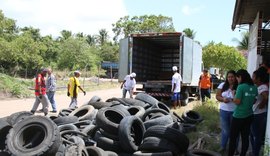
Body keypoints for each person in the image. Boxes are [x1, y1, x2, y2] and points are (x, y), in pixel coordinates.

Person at [228, 69, 258, 156]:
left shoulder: (241, 87)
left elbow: (237, 102)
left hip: (238, 116)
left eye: (237, 78)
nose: (237, 80)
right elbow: (254, 101)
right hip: (249, 115)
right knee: (245, 138)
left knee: (233, 138)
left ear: (240, 77)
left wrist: (233, 95)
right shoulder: (254, 87)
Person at [215, 70, 238, 153]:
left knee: (234, 131)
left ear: (235, 77)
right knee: (225, 130)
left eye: (232, 77)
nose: (230, 78)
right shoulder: (222, 85)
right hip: (224, 111)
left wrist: (234, 98)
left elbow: (240, 99)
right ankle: (223, 146)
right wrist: (223, 99)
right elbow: (217, 96)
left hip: (235, 112)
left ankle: (234, 149)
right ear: (226, 78)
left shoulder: (239, 86)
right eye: (229, 77)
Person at [250, 67, 269, 156]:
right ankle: (254, 151)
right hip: (254, 113)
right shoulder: (256, 87)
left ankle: (255, 153)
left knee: (256, 136)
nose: (252, 78)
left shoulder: (263, 87)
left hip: (259, 115)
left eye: (254, 77)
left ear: (259, 79)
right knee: (252, 135)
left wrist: (261, 105)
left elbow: (266, 97)